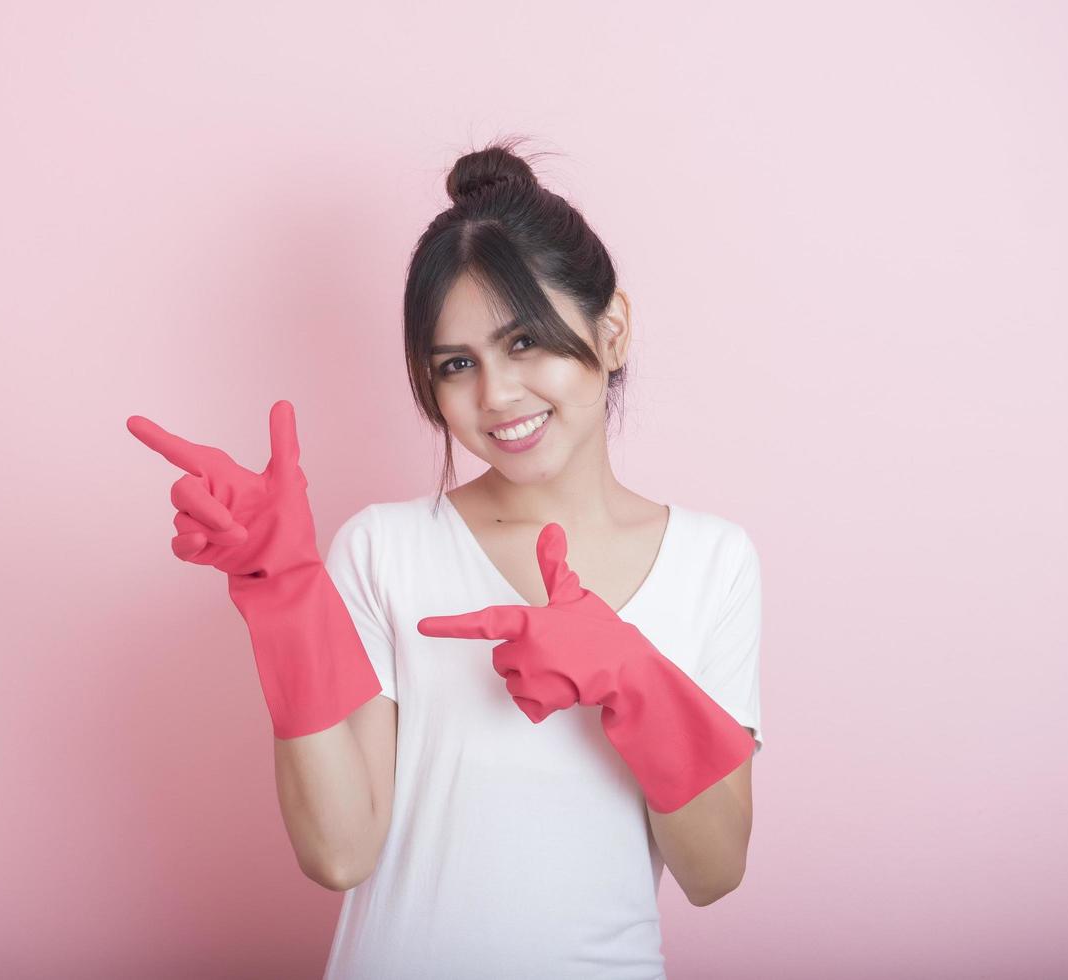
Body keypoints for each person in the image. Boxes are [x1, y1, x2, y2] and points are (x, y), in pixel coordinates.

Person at [128, 135, 763, 980]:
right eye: (456, 364)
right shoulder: (384, 550)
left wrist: (633, 676)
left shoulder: (712, 563)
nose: (496, 396)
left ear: (611, 333)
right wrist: (281, 595)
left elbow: (714, 872)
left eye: (525, 343)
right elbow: (339, 851)